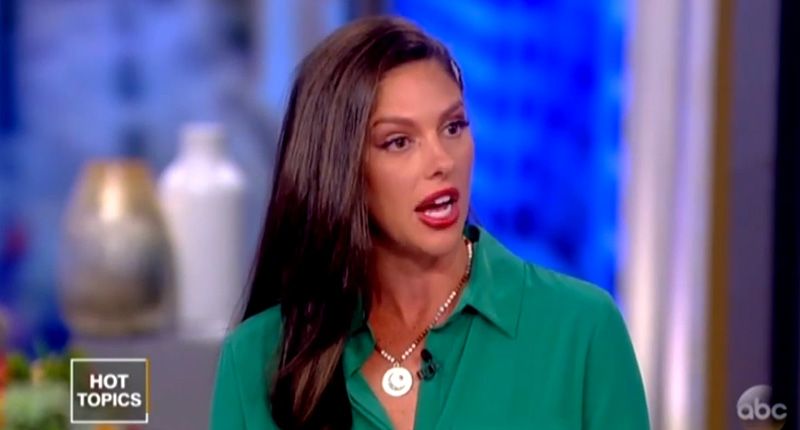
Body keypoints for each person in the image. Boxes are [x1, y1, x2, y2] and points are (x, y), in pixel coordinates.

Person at [210, 15, 649, 430]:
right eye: (399, 142)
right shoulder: (258, 360)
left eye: (453, 127)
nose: (441, 161)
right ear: (339, 168)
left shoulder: (581, 331)